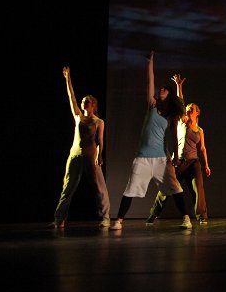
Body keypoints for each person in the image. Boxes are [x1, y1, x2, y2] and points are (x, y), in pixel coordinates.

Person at [110, 51, 192, 230]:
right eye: (160, 89)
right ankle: (118, 221)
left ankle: (186, 219)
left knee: (175, 188)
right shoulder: (152, 106)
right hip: (143, 158)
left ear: (169, 95)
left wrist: (176, 157)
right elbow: (150, 81)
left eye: (164, 89)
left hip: (162, 159)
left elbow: (174, 135)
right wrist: (150, 62)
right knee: (130, 188)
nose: (160, 90)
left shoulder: (171, 115)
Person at [147, 73, 212, 225]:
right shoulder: (182, 121)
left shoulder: (200, 130)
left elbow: (202, 148)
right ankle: (154, 214)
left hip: (194, 162)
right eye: (187, 109)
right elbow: (180, 101)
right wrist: (179, 85)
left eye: (191, 109)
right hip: (180, 161)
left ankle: (202, 216)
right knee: (166, 186)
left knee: (198, 189)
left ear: (197, 113)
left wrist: (206, 165)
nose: (188, 110)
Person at [51, 66, 111, 229]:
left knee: (99, 186)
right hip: (75, 154)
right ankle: (59, 219)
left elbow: (100, 140)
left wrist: (99, 155)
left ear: (93, 105)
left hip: (91, 155)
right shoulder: (78, 116)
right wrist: (67, 78)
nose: (83, 102)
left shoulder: (98, 122)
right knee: (68, 186)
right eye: (83, 101)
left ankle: (105, 218)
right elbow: (72, 97)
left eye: (87, 101)